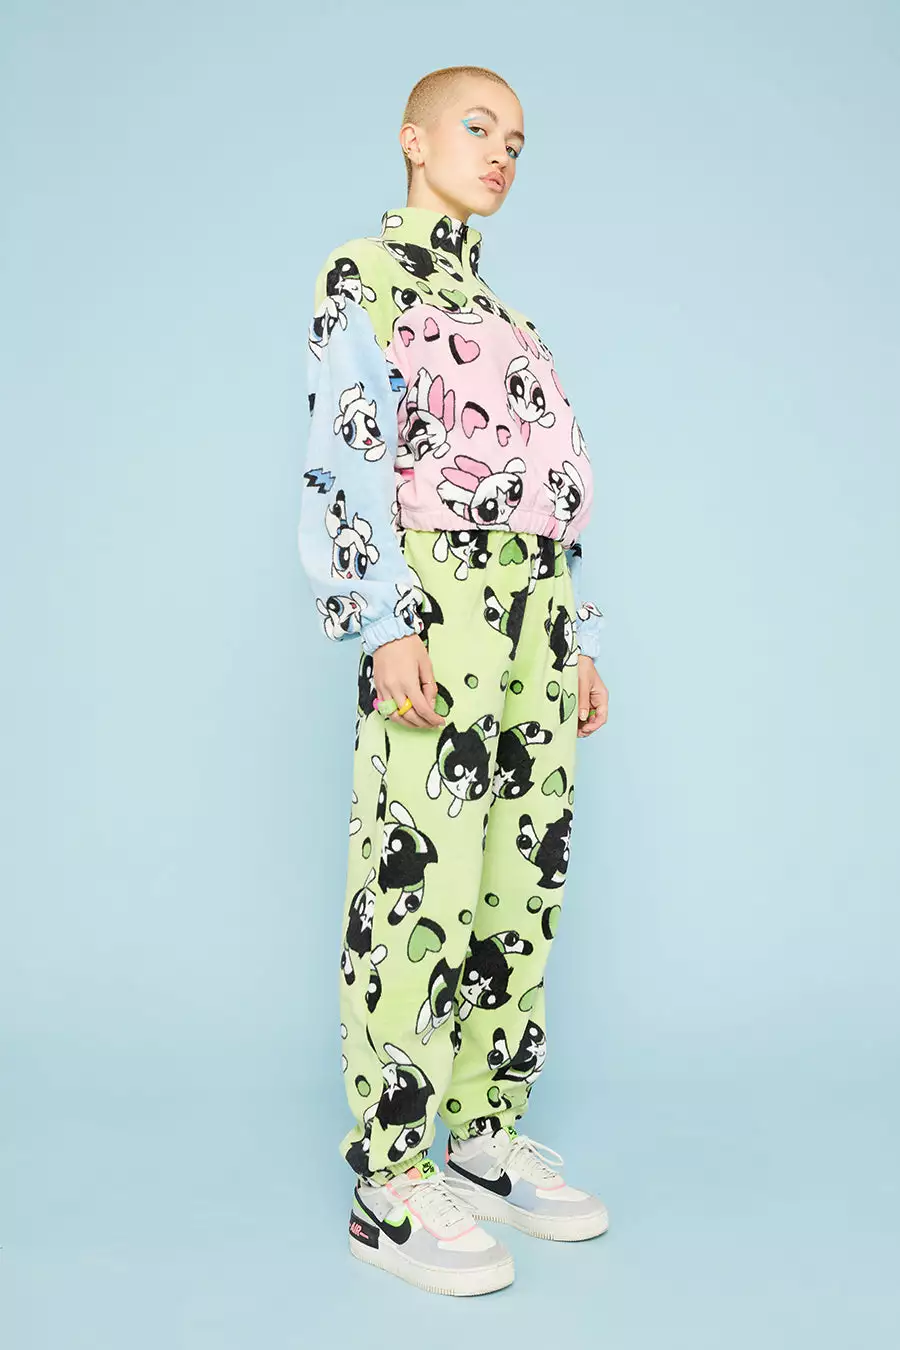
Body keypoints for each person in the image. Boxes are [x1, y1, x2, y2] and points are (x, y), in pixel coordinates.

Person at [297, 64, 610, 1296]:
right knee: (418, 873)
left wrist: (580, 637)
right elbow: (346, 453)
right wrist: (384, 622)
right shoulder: (363, 276)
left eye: (518, 141)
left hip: (537, 617)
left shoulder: (515, 321)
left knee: (520, 880)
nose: (501, 154)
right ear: (413, 141)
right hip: (440, 602)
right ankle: (389, 1179)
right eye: (479, 128)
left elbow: (549, 496)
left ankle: (480, 1138)